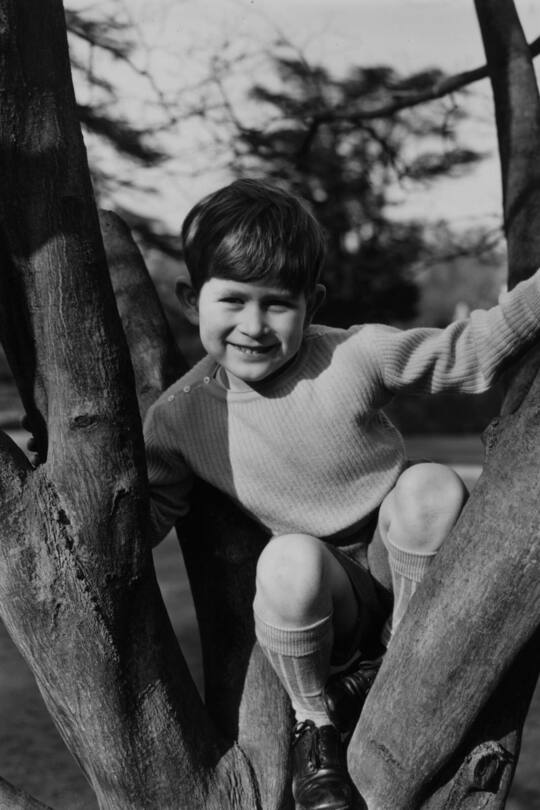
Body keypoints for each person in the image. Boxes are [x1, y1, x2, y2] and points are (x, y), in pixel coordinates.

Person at [144, 178, 540, 810]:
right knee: (287, 558)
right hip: (322, 595)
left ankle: (402, 664)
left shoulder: (352, 355)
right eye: (234, 300)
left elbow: (469, 352)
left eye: (277, 304)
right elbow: (148, 512)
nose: (254, 325)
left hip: (404, 557)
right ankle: (316, 725)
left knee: (432, 484)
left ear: (312, 303)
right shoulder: (180, 417)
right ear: (192, 300)